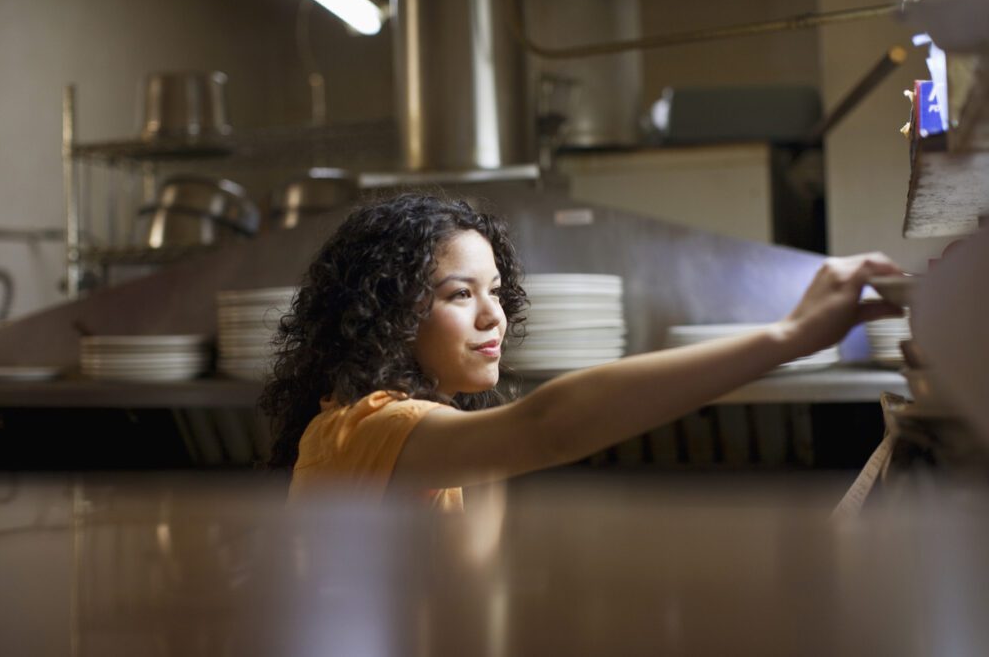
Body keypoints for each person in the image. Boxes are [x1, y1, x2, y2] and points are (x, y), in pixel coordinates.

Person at [261, 191, 902, 510]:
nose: (494, 316)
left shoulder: (429, 434)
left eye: (496, 291)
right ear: (387, 311)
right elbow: (551, 425)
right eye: (460, 295)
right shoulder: (365, 429)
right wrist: (786, 338)